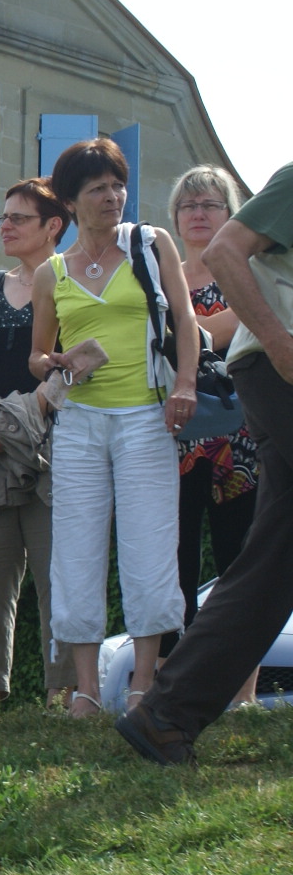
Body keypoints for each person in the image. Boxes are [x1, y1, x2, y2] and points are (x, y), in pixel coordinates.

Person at [119, 160, 293, 764]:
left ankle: (166, 714)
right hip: (277, 371)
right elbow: (225, 252)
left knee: (272, 560)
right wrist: (278, 340)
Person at [30, 138, 196, 717]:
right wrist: (51, 364)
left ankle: (143, 684)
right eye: (98, 187)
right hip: (79, 422)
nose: (113, 196)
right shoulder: (51, 274)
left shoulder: (152, 246)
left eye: (118, 184)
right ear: (71, 202)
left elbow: (186, 321)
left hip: (147, 418)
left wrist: (185, 386)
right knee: (74, 550)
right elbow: (37, 355)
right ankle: (86, 690)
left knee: (150, 546)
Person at [0, 179, 79, 717]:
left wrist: (37, 410)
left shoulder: (74, 281)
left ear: (52, 226)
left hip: (58, 446)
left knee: (60, 577)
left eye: (18, 218)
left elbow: (81, 362)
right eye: (2, 218)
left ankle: (63, 694)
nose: (5, 226)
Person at [167, 165, 262, 704]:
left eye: (210, 205)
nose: (198, 214)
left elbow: (220, 330)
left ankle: (243, 692)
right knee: (175, 566)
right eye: (188, 205)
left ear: (231, 214)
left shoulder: (244, 272)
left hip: (240, 444)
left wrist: (176, 324)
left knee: (238, 566)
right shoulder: (164, 277)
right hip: (174, 442)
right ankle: (175, 685)